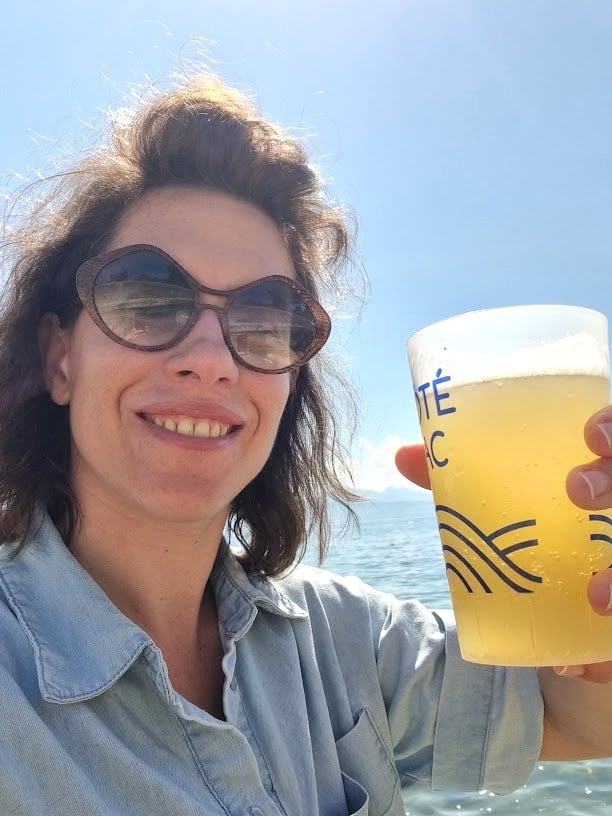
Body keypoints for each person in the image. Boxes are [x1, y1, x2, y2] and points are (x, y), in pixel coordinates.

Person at [0, 72, 610, 816]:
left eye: (264, 316)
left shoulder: (338, 639)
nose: (212, 359)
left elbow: (574, 717)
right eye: (148, 296)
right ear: (59, 357)